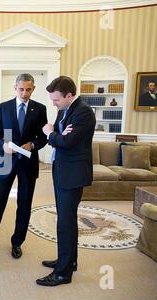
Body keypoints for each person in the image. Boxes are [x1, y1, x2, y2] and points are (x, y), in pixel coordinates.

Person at [0, 73, 48, 259]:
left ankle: (17, 243)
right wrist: (3, 145)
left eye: (28, 89)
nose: (24, 93)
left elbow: (43, 136)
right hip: (6, 160)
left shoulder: (40, 109)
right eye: (21, 89)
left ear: (33, 89)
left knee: (24, 203)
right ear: (15, 88)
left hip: (28, 162)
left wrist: (33, 145)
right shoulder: (3, 107)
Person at [38, 76, 95, 286]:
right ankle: (69, 262)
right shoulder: (65, 110)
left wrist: (51, 133)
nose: (54, 104)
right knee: (65, 219)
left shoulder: (83, 112)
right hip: (62, 170)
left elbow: (66, 142)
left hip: (73, 174)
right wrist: (59, 136)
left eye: (56, 100)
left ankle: (62, 274)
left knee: (65, 223)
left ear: (69, 95)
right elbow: (62, 139)